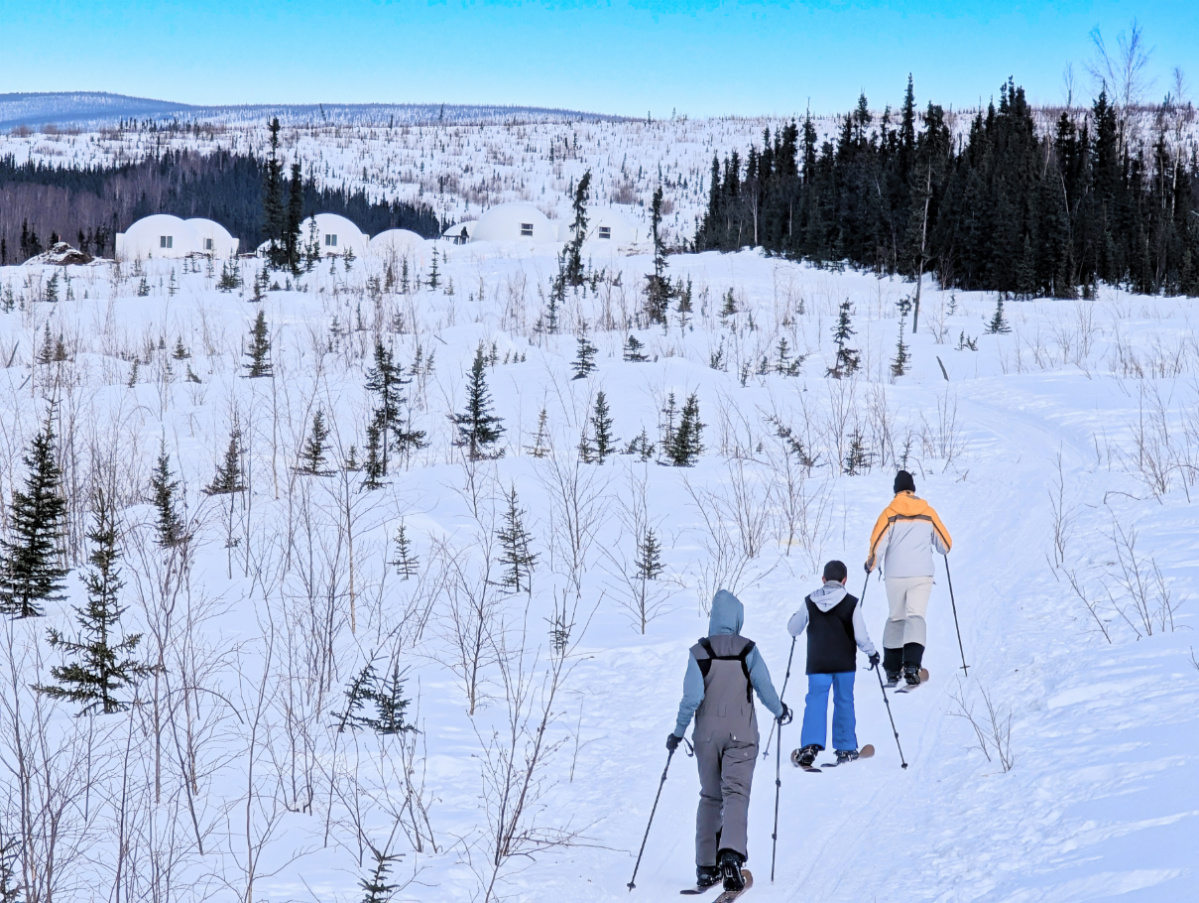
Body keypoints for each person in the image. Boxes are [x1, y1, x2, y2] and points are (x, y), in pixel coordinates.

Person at [668, 589, 790, 892]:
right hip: (742, 736)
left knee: (710, 796)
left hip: (706, 737)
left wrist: (678, 732)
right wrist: (779, 710)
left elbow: (691, 698)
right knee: (735, 793)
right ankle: (732, 856)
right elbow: (764, 688)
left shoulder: (699, 652)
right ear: (736, 619)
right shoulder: (747, 649)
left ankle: (705, 868)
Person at [787, 560, 879, 769]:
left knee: (816, 701)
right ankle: (846, 749)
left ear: (823, 579)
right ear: (845, 580)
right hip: (844, 664)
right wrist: (872, 653)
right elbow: (861, 636)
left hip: (818, 664)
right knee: (844, 700)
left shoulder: (809, 601)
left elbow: (793, 629)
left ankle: (809, 747)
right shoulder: (851, 603)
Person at [864, 470, 952, 687]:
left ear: (896, 490)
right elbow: (945, 545)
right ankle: (912, 666)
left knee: (896, 617)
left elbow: (878, 543)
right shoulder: (927, 512)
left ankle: (893, 670)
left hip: (895, 576)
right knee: (915, 617)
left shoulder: (889, 513)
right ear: (912, 489)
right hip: (921, 575)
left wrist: (871, 564)